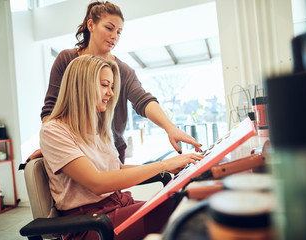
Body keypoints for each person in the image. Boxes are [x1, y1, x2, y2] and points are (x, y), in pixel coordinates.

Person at [40, 55, 204, 240]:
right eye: (104, 85)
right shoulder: (54, 131)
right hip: (90, 224)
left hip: (116, 207)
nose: (110, 93)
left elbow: (116, 169)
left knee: (184, 204)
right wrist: (162, 166)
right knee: (179, 209)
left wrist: (170, 166)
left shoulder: (98, 129)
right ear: (81, 86)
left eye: (111, 87)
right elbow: (97, 183)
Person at [30, 0, 201, 164]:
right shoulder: (67, 59)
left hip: (110, 147)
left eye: (119, 32)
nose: (114, 36)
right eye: (109, 28)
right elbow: (51, 108)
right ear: (91, 25)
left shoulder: (122, 70)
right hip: (73, 144)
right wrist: (50, 143)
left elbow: (143, 100)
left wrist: (170, 128)